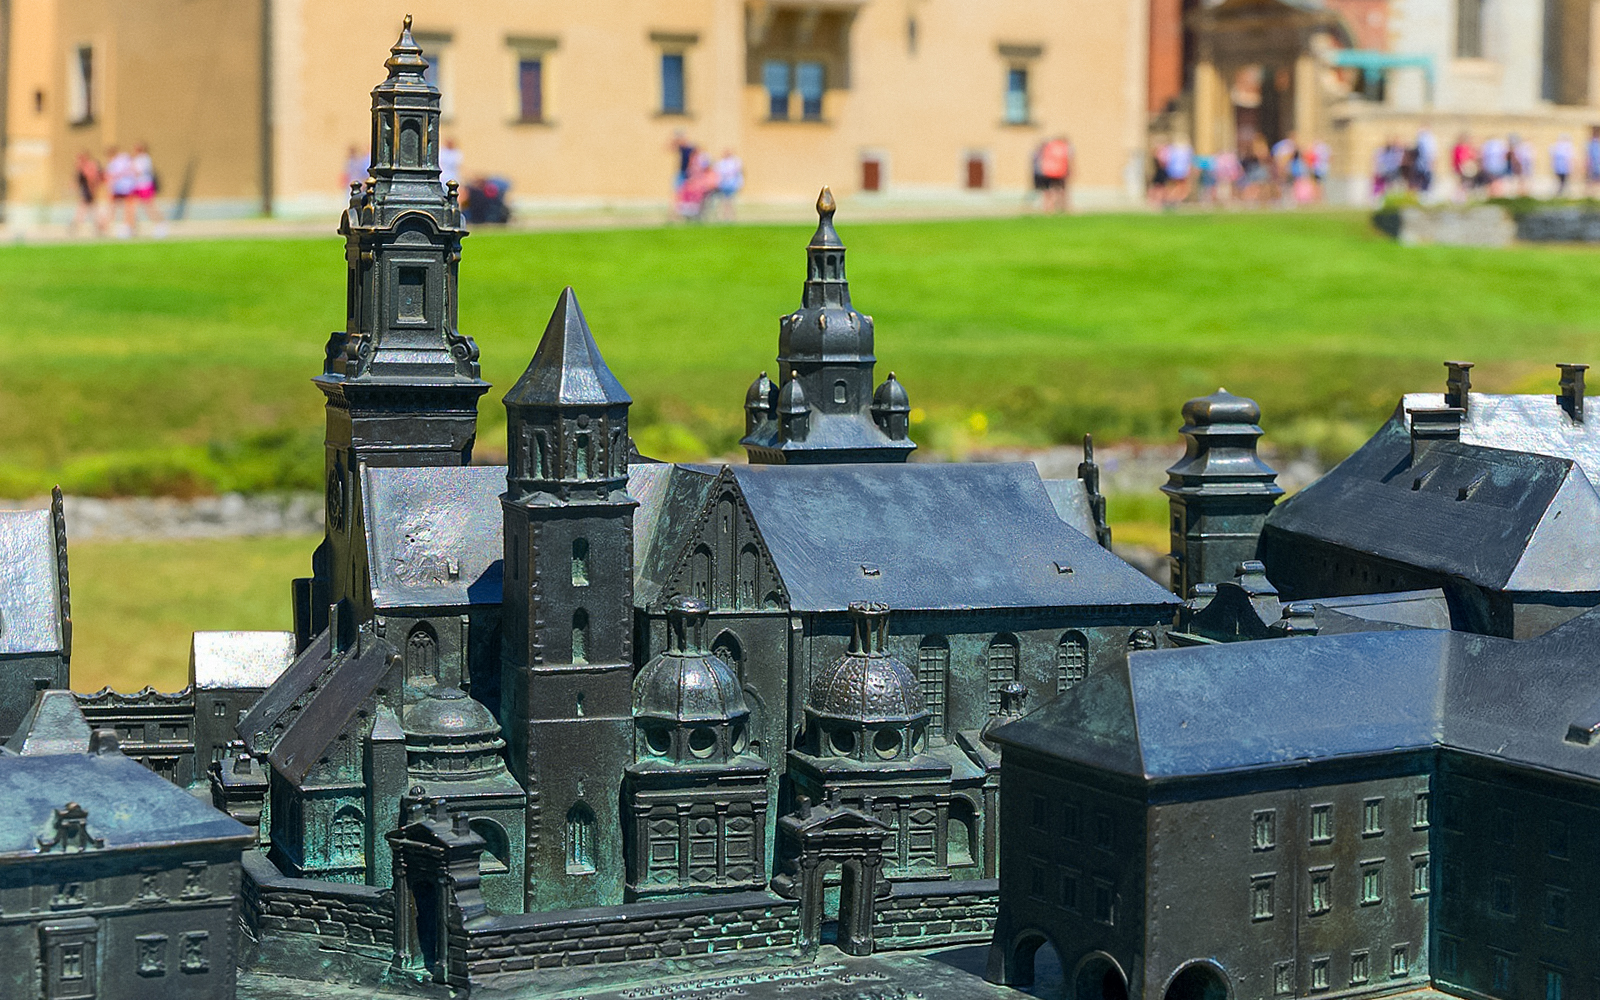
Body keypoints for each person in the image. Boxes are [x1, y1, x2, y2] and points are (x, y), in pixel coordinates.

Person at [130, 143, 166, 236]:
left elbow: (138, 171)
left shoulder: (145, 159)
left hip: (145, 185)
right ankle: (132, 227)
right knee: (132, 207)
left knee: (149, 207)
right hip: (137, 186)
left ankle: (160, 224)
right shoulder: (137, 159)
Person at [69, 151, 106, 237]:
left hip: (88, 191)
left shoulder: (87, 167)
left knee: (86, 208)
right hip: (87, 191)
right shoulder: (83, 168)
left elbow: (91, 179)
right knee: (91, 209)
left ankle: (99, 226)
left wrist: (92, 190)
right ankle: (100, 226)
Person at [104, 145, 137, 237]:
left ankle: (129, 228)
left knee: (128, 208)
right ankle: (107, 228)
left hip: (126, 188)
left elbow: (130, 171)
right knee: (113, 208)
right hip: (118, 189)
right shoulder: (112, 163)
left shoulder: (123, 159)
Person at [1037, 135, 1071, 213]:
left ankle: (1048, 208)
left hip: (1047, 171)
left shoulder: (1048, 147)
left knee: (1048, 191)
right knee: (1060, 191)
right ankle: (1061, 207)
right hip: (1060, 172)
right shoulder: (1063, 148)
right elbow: (1067, 159)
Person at [713, 149, 744, 221]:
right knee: (723, 201)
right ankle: (723, 216)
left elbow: (739, 174)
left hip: (732, 184)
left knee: (731, 201)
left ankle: (732, 217)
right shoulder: (720, 163)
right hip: (723, 184)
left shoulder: (735, 162)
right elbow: (717, 174)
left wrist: (740, 183)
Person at [1451, 133, 1477, 202]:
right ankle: (1461, 198)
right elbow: (1461, 158)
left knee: (1463, 183)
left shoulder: (1460, 148)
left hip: (1462, 167)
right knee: (1463, 183)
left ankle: (1461, 197)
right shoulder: (1463, 148)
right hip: (1463, 168)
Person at [1414, 126, 1436, 195]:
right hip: (1422, 165)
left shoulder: (1426, 139)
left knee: (1426, 182)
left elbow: (1430, 153)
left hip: (1425, 164)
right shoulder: (1424, 139)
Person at [1587, 126, 1600, 197]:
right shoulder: (1592, 143)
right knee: (1592, 180)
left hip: (1596, 164)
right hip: (1593, 164)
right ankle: (1591, 195)